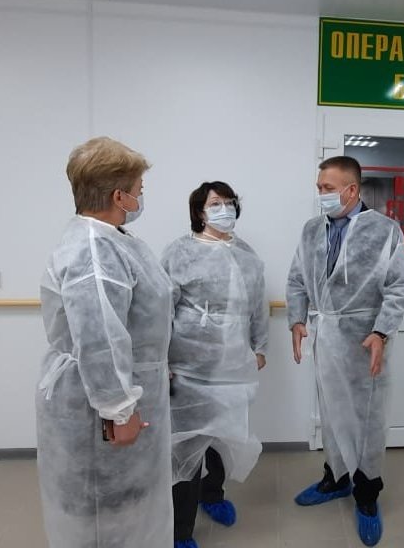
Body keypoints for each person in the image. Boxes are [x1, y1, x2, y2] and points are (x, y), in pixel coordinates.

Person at [36, 137, 174, 548]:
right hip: (100, 401)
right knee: (103, 510)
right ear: (119, 195)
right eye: (139, 189)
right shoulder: (95, 251)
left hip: (125, 389)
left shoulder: (112, 240)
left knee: (127, 510)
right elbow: (99, 336)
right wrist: (118, 408)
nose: (140, 197)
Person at [286, 156, 404, 547]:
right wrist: (297, 320)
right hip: (326, 337)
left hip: (363, 341)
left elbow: (398, 288)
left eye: (328, 188)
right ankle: (337, 477)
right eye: (319, 187)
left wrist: (381, 332)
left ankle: (367, 492)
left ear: (352, 189)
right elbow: (297, 280)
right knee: (331, 411)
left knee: (367, 418)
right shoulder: (311, 230)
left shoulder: (385, 231)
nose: (321, 194)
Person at [161, 181, 268, 548]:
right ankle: (181, 530)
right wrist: (162, 359)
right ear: (200, 212)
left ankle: (214, 495)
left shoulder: (247, 255)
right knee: (186, 448)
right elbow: (162, 311)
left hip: (232, 366)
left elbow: (258, 305)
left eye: (230, 202)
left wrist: (260, 346)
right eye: (216, 203)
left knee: (223, 438)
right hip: (188, 369)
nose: (225, 209)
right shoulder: (179, 253)